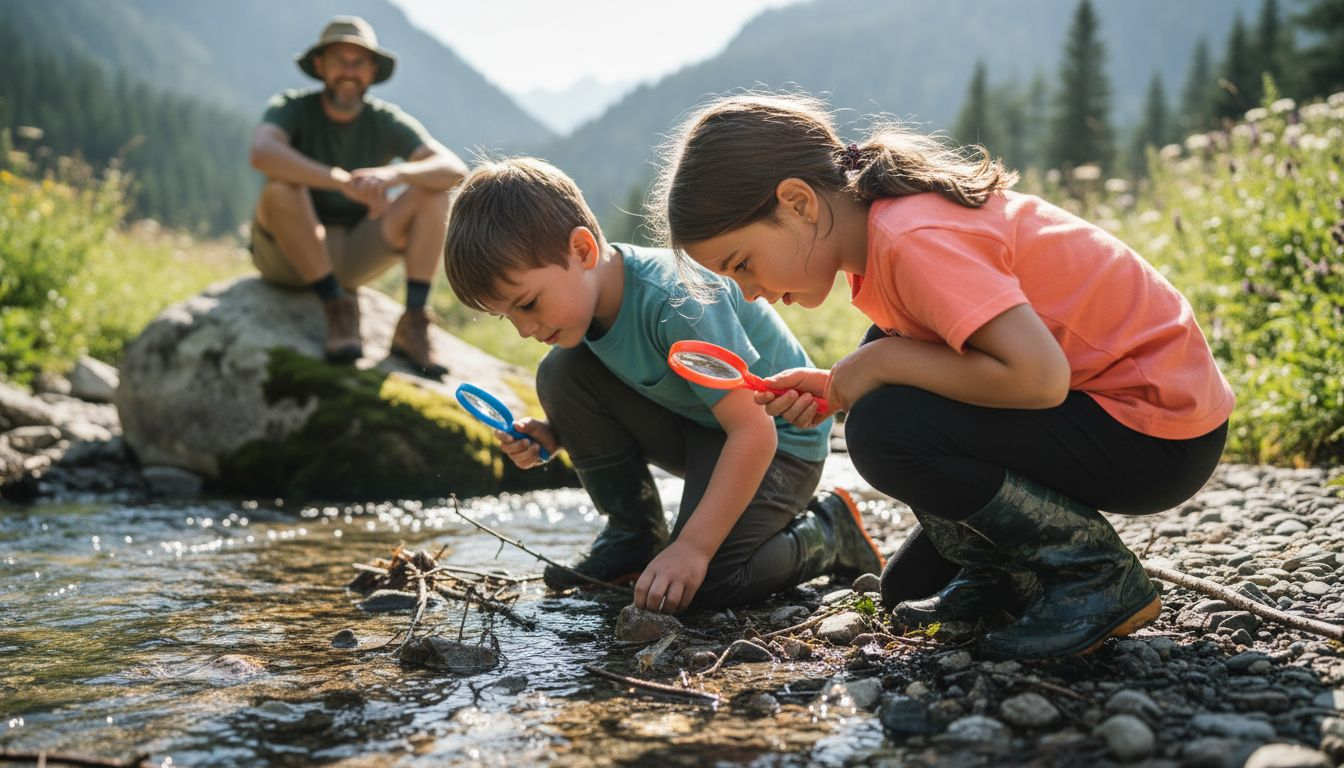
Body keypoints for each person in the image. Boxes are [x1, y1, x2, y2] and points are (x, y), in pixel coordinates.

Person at [652, 93, 1234, 658]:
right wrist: (837, 383)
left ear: (799, 203)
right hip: (1117, 415)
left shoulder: (913, 238)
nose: (750, 291)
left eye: (742, 264)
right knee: (908, 589)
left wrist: (875, 366)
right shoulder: (885, 240)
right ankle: (1010, 577)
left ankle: (1098, 576)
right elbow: (948, 364)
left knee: (883, 426)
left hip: (1156, 433)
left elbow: (1039, 378)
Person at [442, 157, 883, 614]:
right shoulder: (583, 312)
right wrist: (554, 435)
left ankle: (829, 533)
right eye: (506, 316)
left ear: (582, 250)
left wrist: (692, 547)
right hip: (706, 430)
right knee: (560, 370)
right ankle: (633, 535)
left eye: (528, 304)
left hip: (779, 440)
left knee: (704, 585)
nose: (523, 330)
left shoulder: (675, 299)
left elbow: (755, 431)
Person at [248, 15, 468, 377]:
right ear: (320, 66)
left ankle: (413, 321)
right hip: (287, 256)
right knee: (281, 188)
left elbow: (453, 168)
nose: (349, 72)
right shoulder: (291, 107)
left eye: (359, 62)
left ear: (372, 71)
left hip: (353, 254)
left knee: (433, 192)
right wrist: (338, 181)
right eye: (339, 60)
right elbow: (262, 152)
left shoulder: (384, 120)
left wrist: (393, 174)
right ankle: (337, 308)